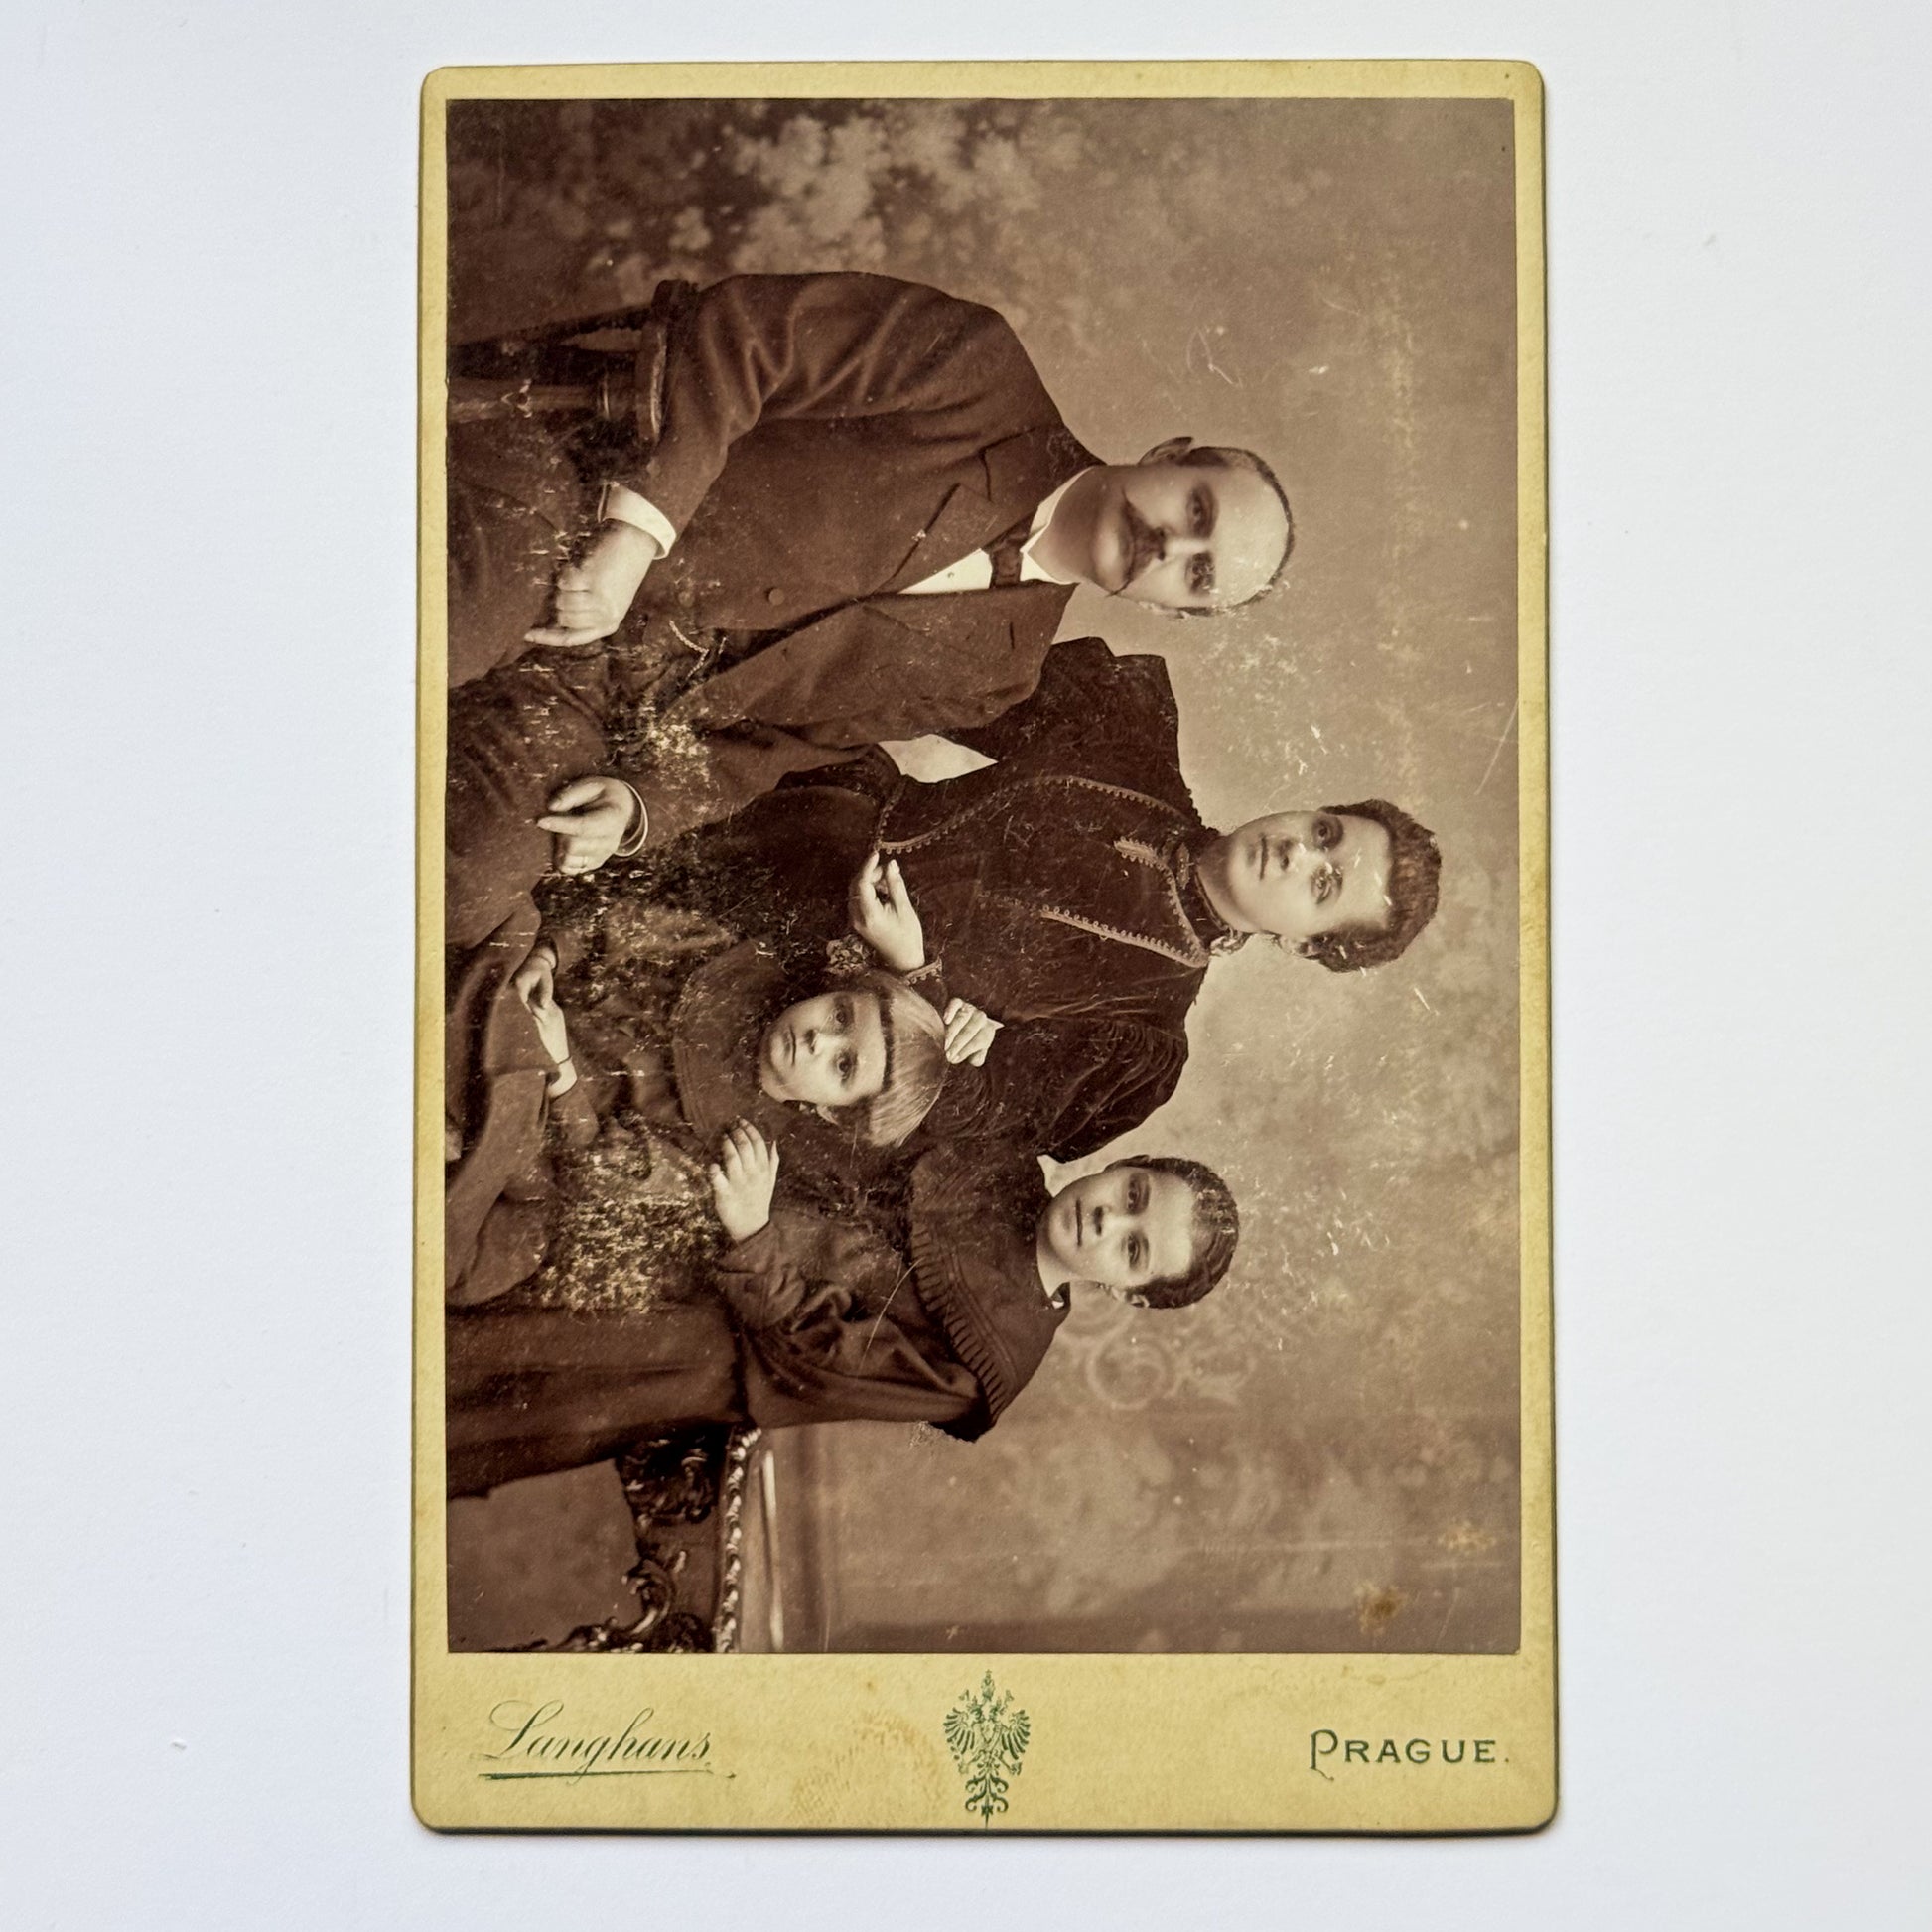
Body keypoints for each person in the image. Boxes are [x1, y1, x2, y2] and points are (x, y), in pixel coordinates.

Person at [444, 270, 1297, 944]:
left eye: (1197, 575)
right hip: (571, 513)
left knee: (467, 882)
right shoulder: (980, 369)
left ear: (1172, 611)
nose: (1171, 546)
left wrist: (642, 805)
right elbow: (743, 332)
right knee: (444, 631)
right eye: (1196, 509)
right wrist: (635, 536)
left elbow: (779, 746)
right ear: (1169, 452)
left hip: (595, 702)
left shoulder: (1000, 673)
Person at [614, 637, 1445, 1159]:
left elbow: (962, 1123)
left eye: (1323, 885)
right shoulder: (1126, 732)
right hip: (795, 805)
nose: (1298, 852)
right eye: (1325, 832)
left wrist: (914, 973)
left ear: (1304, 945)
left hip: (762, 1007)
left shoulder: (1138, 1039)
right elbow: (929, 668)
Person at [445, 1125, 1241, 1497]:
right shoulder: (1000, 1165)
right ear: (1124, 1165)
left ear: (1127, 1294)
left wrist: (752, 1234)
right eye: (1132, 1195)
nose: (1107, 1220)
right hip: (699, 1201)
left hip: (679, 1345)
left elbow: (815, 1365)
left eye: (1133, 1249)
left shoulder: (988, 1363)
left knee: (464, 1348)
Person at [444, 883, 955, 1308]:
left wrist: (559, 1069)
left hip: (551, 1106)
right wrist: (549, 957)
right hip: (546, 1000)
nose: (819, 1039)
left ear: (834, 1114)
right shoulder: (736, 962)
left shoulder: (741, 1149)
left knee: (500, 1218)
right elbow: (617, 927)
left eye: (843, 1066)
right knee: (502, 917)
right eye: (840, 1015)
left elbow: (595, 1168)